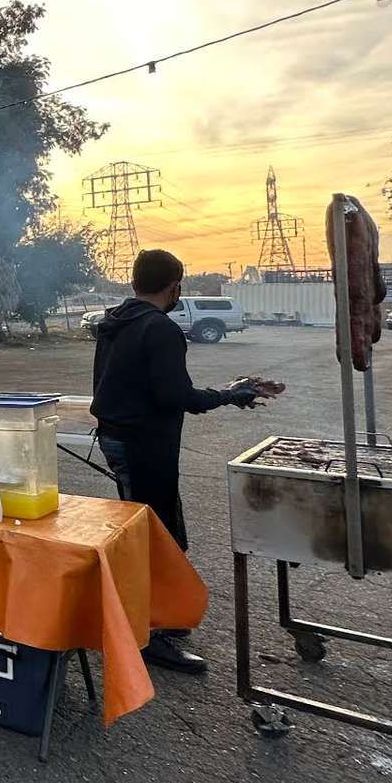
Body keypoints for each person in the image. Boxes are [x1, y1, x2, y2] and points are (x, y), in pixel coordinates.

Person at [90, 248, 280, 674]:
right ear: (174, 286)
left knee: (153, 529)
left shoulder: (115, 321)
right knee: (154, 537)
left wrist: (228, 392)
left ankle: (159, 617)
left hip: (119, 437)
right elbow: (177, 397)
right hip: (144, 444)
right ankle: (146, 634)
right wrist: (231, 394)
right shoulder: (159, 329)